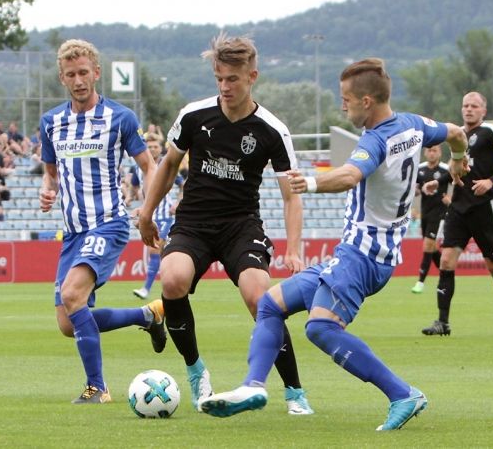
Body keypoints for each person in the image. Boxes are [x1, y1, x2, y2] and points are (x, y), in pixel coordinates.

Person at [196, 57, 468, 430]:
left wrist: (307, 182)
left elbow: (350, 175)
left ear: (367, 101)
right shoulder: (415, 125)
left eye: (346, 100)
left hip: (364, 257)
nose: (343, 106)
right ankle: (253, 387)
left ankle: (402, 393)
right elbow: (456, 132)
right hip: (361, 253)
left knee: (320, 328)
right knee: (270, 305)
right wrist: (460, 159)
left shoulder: (376, 139)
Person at [138, 33, 313, 415]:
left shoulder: (271, 129)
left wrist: (295, 248)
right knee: (171, 280)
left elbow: (291, 194)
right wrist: (146, 213)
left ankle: (295, 391)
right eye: (219, 78)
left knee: (260, 298)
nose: (224, 86)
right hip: (193, 222)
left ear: (253, 76)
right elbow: (168, 165)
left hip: (241, 225)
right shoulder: (194, 115)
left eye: (232, 79)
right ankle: (196, 369)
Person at [38, 39, 166, 404]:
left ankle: (98, 387)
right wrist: (47, 191)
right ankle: (147, 315)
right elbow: (51, 174)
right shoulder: (52, 123)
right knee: (69, 322)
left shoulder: (120, 118)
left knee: (73, 294)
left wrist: (148, 212)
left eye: (83, 72)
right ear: (62, 78)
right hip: (73, 232)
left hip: (108, 223)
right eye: (70, 74)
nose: (78, 80)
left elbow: (149, 167)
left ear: (96, 73)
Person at [422, 91, 493, 337]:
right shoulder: (458, 135)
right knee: (446, 261)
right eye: (465, 105)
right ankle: (442, 322)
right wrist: (440, 181)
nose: (469, 109)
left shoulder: (491, 132)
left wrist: (491, 180)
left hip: (484, 206)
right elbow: (460, 169)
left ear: (483, 110)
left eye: (474, 106)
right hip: (458, 207)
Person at [133, 136, 184, 300]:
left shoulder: (166, 165)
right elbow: (134, 186)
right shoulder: (138, 167)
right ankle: (177, 281)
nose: (153, 149)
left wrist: (177, 203)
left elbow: (182, 184)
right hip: (149, 215)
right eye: (149, 146)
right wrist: (131, 198)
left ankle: (146, 289)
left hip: (164, 217)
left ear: (160, 148)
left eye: (155, 146)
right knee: (160, 253)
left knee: (154, 249)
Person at [411, 144, 451, 294]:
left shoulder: (445, 169)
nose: (432, 153)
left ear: (440, 153)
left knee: (428, 245)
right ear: (425, 153)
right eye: (429, 151)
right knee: (432, 248)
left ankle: (420, 282)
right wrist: (416, 191)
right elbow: (414, 191)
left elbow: (459, 184)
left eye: (435, 150)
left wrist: (450, 199)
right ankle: (446, 273)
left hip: (440, 213)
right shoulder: (420, 169)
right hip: (425, 213)